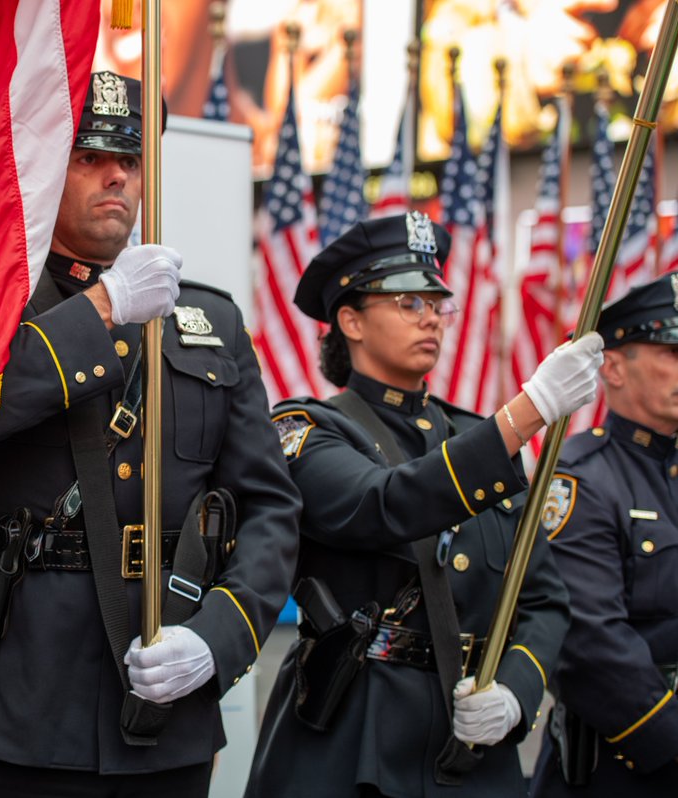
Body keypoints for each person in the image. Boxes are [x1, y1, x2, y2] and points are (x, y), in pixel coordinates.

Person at [0, 70, 302, 797]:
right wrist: (102, 309)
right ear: (48, 165)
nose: (116, 176)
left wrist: (219, 638)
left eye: (132, 160)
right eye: (89, 158)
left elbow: (268, 508)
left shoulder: (212, 323)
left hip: (161, 683)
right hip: (17, 691)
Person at [245, 212, 605, 797]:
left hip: (470, 746)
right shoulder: (308, 428)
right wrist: (529, 408)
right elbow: (382, 502)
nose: (431, 317)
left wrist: (514, 690)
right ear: (351, 320)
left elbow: (543, 599)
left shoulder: (474, 438)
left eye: (437, 304)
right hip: (356, 730)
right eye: (408, 303)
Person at [530, 272, 678, 796]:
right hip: (627, 763)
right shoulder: (579, 477)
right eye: (671, 353)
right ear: (612, 367)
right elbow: (587, 642)